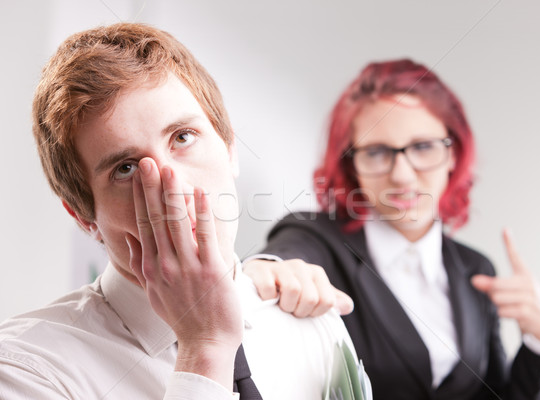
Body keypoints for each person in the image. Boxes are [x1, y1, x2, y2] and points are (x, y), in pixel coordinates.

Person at [0, 23, 366, 400]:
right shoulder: (26, 370)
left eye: (182, 138)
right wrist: (205, 349)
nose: (174, 189)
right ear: (83, 216)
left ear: (230, 149)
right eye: (125, 168)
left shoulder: (311, 321)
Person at [244, 59, 540, 399]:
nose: (402, 175)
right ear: (353, 165)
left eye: (422, 147)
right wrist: (267, 270)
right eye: (377, 152)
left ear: (453, 153)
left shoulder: (476, 270)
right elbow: (284, 258)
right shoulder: (318, 238)